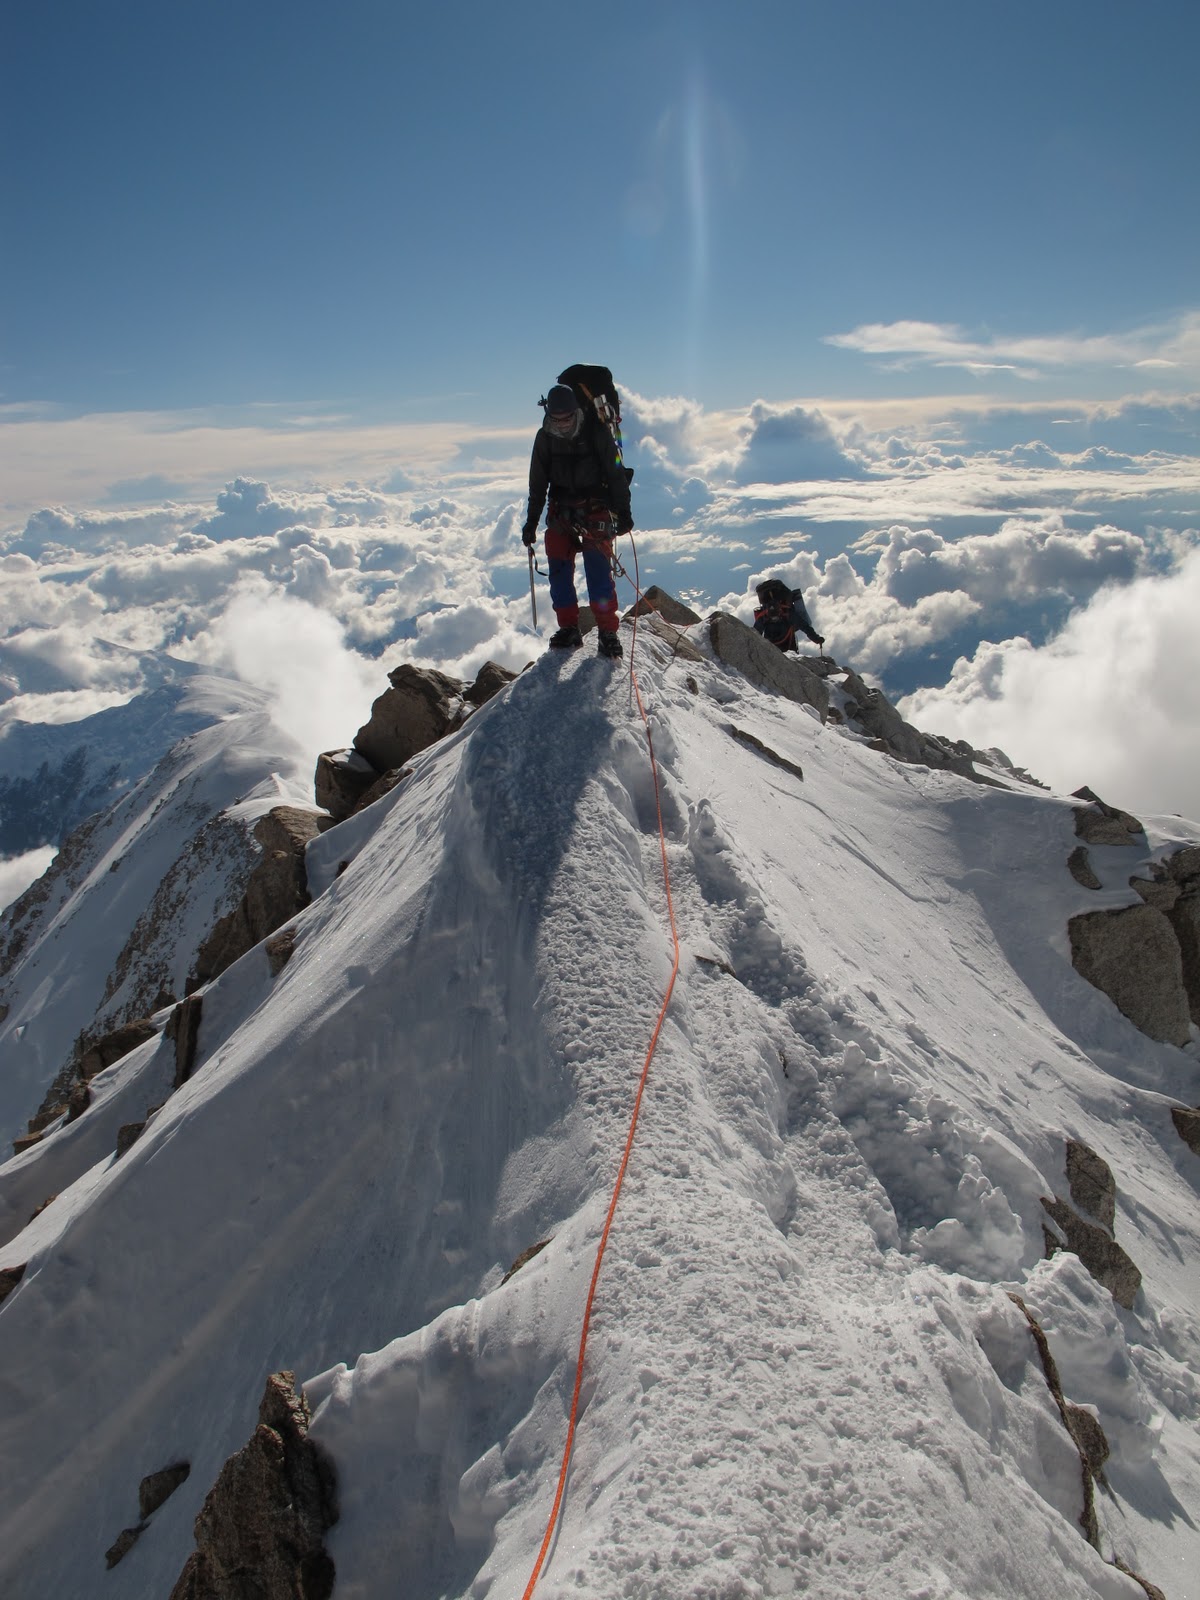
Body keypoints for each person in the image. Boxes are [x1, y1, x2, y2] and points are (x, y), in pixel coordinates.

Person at [522, 382, 634, 659]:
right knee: (559, 570)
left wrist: (624, 512)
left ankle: (608, 632)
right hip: (561, 511)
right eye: (556, 419)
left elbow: (615, 473)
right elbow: (538, 483)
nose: (561, 424)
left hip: (595, 509)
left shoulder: (595, 432)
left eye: (567, 418)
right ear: (548, 413)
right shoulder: (544, 438)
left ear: (575, 412)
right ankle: (569, 627)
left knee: (598, 571)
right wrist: (531, 522)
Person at [753, 578, 825, 653]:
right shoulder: (788, 613)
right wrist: (817, 639)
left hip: (770, 650)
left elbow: (754, 634)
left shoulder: (763, 617)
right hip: (789, 647)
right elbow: (805, 626)